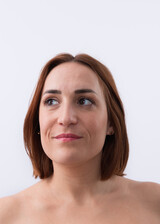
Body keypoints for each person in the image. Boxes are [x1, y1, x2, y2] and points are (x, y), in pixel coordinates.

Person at [0, 53, 160, 223]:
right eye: (52, 101)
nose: (66, 118)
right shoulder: (5, 215)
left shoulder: (155, 203)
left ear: (111, 123)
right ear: (38, 121)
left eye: (84, 101)